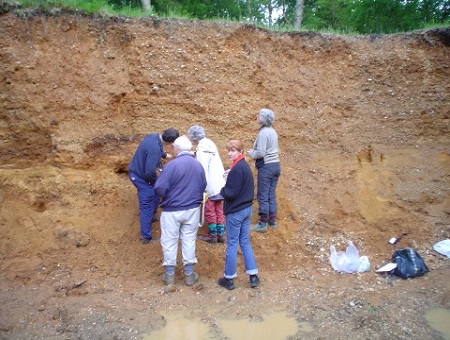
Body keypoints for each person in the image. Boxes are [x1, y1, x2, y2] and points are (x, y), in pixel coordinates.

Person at [154, 135, 207, 286]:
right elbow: (203, 185)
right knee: (189, 240)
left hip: (172, 210)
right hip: (192, 209)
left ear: (176, 149)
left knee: (169, 241)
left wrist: (167, 196)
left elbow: (159, 187)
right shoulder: (198, 165)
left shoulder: (171, 166)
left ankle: (169, 276)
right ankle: (189, 275)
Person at [218, 140, 260, 290]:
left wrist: (222, 189)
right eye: (229, 150)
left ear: (240, 152)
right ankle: (253, 276)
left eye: (233, 150)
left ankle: (229, 278)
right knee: (245, 242)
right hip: (247, 210)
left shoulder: (236, 169)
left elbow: (231, 193)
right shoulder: (244, 166)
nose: (230, 153)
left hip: (235, 212)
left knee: (232, 244)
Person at [128, 128, 179, 244]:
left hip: (137, 171)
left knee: (156, 192)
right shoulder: (155, 149)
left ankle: (152, 213)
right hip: (140, 177)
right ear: (171, 143)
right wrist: (157, 181)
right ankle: (146, 237)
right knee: (146, 203)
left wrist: (165, 155)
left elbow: (153, 149)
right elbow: (149, 172)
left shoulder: (153, 136)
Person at [188, 125, 226, 243]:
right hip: (219, 184)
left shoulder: (201, 150)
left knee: (209, 210)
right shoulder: (210, 144)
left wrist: (202, 188)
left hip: (210, 186)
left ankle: (212, 235)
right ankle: (221, 234)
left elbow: (202, 170)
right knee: (219, 209)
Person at [247, 108, 281, 233]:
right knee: (271, 194)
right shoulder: (272, 131)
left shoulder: (263, 133)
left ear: (263, 118)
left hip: (266, 167)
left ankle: (262, 223)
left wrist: (251, 153)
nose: (257, 116)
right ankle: (272, 221)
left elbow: (260, 153)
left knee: (262, 194)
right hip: (276, 165)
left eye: (259, 115)